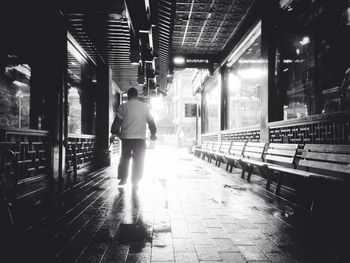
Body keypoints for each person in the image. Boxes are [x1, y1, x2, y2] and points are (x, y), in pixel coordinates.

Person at [111, 87, 157, 190]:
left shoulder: (123, 106)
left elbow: (117, 121)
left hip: (127, 138)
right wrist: (153, 133)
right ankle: (135, 181)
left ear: (128, 95)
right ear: (137, 95)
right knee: (139, 160)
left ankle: (123, 178)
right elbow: (151, 121)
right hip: (140, 139)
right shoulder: (145, 107)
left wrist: (114, 131)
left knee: (125, 158)